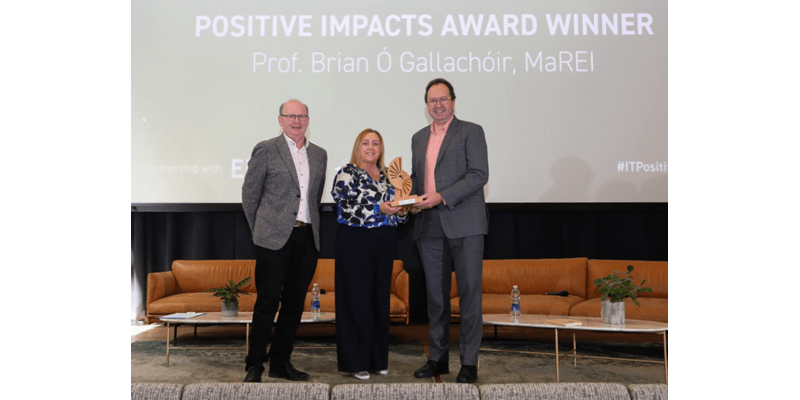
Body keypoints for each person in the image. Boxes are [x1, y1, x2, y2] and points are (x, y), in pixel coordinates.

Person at [241, 99, 328, 382]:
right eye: (290, 116)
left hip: (307, 239)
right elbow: (250, 194)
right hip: (272, 240)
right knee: (266, 302)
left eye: (301, 116)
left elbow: (314, 198)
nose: (296, 121)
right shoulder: (266, 149)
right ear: (280, 120)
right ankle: (255, 364)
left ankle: (280, 362)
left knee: (293, 305)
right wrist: (260, 231)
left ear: (308, 120)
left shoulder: (320, 154)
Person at [409, 78, 489, 383]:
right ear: (426, 105)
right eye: (433, 100)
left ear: (453, 102)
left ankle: (469, 362)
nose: (438, 105)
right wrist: (408, 201)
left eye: (443, 99)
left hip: (465, 223)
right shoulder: (418, 138)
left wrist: (441, 196)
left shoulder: (471, 131)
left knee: (469, 295)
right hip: (428, 225)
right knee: (435, 298)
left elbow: (479, 174)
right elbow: (418, 180)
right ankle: (437, 359)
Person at [331, 129, 408, 380]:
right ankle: (355, 362)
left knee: (379, 300)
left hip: (384, 241)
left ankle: (377, 360)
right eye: (366, 143)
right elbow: (345, 207)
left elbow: (399, 213)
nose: (371, 147)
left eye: (376, 143)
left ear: (381, 148)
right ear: (358, 147)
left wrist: (402, 209)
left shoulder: (389, 176)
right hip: (355, 240)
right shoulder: (347, 173)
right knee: (356, 300)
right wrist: (378, 208)